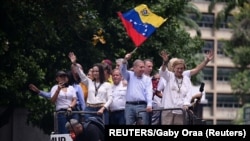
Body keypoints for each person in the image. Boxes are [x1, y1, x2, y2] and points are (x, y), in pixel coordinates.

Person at [69, 52, 113, 125]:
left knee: (103, 131)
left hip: (101, 109)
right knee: (88, 129)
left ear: (101, 72)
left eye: (97, 71)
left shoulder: (107, 84)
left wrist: (103, 108)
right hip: (89, 109)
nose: (95, 73)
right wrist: (74, 63)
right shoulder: (89, 82)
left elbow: (110, 98)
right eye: (94, 71)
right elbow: (81, 74)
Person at [159, 51, 193, 125]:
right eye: (178, 68)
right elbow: (162, 72)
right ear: (173, 68)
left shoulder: (186, 80)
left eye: (181, 68)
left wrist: (186, 104)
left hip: (180, 110)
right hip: (168, 109)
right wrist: (165, 62)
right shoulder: (169, 76)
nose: (180, 70)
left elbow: (189, 93)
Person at [120, 53, 153, 125]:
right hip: (129, 105)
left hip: (142, 105)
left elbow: (149, 92)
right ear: (134, 68)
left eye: (143, 67)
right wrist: (125, 60)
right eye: (140, 67)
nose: (143, 69)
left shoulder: (147, 79)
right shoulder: (129, 75)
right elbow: (122, 70)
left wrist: (149, 104)